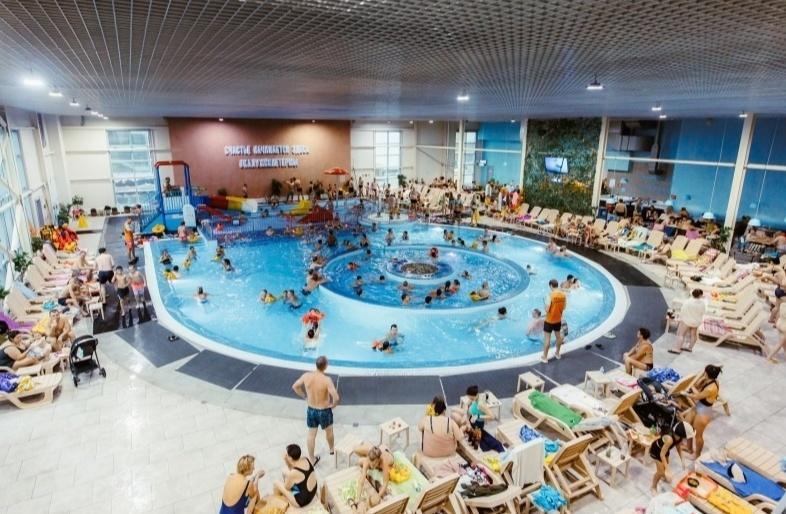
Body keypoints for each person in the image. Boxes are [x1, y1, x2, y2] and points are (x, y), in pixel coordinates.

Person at [291, 356, 340, 464]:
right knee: (329, 432)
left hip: (311, 409)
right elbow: (336, 398)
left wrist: (304, 396)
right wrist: (333, 405)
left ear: (316, 365)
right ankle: (331, 449)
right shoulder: (326, 380)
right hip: (324, 411)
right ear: (326, 366)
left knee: (311, 434)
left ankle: (312, 459)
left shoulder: (306, 376)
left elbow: (295, 386)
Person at [683, 364, 722, 459]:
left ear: (707, 374)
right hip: (699, 406)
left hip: (704, 411)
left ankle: (697, 455)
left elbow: (697, 397)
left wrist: (685, 393)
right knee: (687, 426)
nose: (703, 373)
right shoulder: (711, 380)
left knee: (698, 435)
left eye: (705, 372)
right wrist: (694, 386)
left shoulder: (711, 388)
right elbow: (699, 393)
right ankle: (689, 448)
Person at [649, 420, 694, 493]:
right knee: (660, 472)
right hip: (656, 451)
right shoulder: (669, 439)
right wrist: (668, 470)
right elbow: (662, 455)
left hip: (665, 450)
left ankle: (663, 477)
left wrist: (682, 460)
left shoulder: (679, 437)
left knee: (666, 463)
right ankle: (653, 487)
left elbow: (678, 447)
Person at [272, 444, 318, 508]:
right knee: (285, 473)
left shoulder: (293, 473)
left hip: (302, 501)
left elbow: (287, 487)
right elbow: (293, 469)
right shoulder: (305, 459)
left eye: (287, 455)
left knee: (276, 483)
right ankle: (281, 499)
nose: (286, 455)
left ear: (290, 458)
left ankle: (277, 505)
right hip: (312, 492)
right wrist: (287, 462)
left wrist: (286, 461)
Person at [670, 289, 705, 354]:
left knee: (681, 334)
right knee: (693, 335)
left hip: (687, 321)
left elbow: (682, 311)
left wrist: (680, 318)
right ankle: (690, 348)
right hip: (696, 321)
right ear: (700, 295)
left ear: (692, 294)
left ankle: (677, 349)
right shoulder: (702, 303)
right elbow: (703, 312)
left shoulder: (688, 301)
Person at [541, 279, 567, 363]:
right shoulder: (563, 295)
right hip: (558, 320)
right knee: (558, 337)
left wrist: (545, 305)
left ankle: (545, 357)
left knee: (547, 339)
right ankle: (557, 354)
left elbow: (547, 309)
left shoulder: (550, 295)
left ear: (551, 286)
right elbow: (564, 307)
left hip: (549, 321)